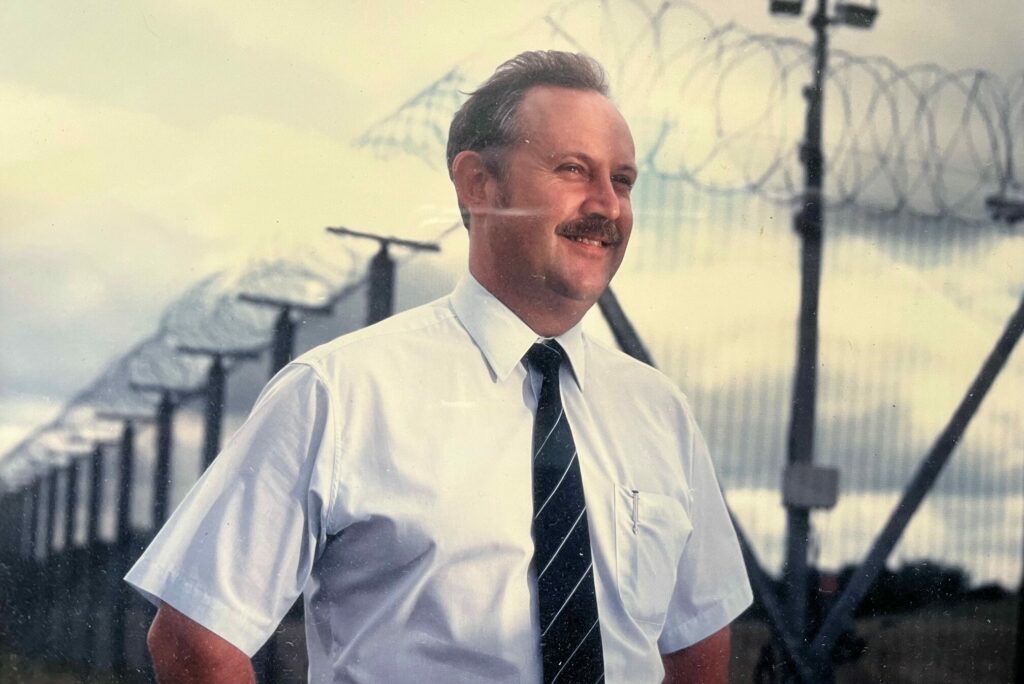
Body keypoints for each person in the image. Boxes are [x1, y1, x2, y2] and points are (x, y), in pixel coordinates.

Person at [127, 50, 752, 683]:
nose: (607, 206)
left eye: (622, 181)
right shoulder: (341, 394)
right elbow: (193, 632)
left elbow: (698, 643)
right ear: (478, 183)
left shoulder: (658, 412)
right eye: (573, 170)